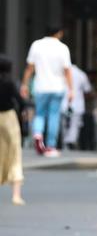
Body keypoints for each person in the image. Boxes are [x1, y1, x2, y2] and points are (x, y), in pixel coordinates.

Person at [20, 24, 74, 157]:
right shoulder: (63, 48)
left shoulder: (36, 45)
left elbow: (30, 68)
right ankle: (50, 146)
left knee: (39, 114)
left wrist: (24, 84)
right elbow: (67, 70)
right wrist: (71, 89)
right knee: (54, 116)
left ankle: (38, 134)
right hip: (57, 87)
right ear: (59, 33)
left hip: (40, 86)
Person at [0, 55, 26, 205]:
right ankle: (16, 195)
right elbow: (20, 101)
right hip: (9, 118)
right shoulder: (9, 83)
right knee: (15, 153)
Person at [61, 62, 92, 150]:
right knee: (75, 124)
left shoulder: (61, 73)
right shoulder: (81, 74)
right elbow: (87, 89)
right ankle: (71, 141)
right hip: (77, 104)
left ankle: (66, 143)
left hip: (63, 103)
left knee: (64, 124)